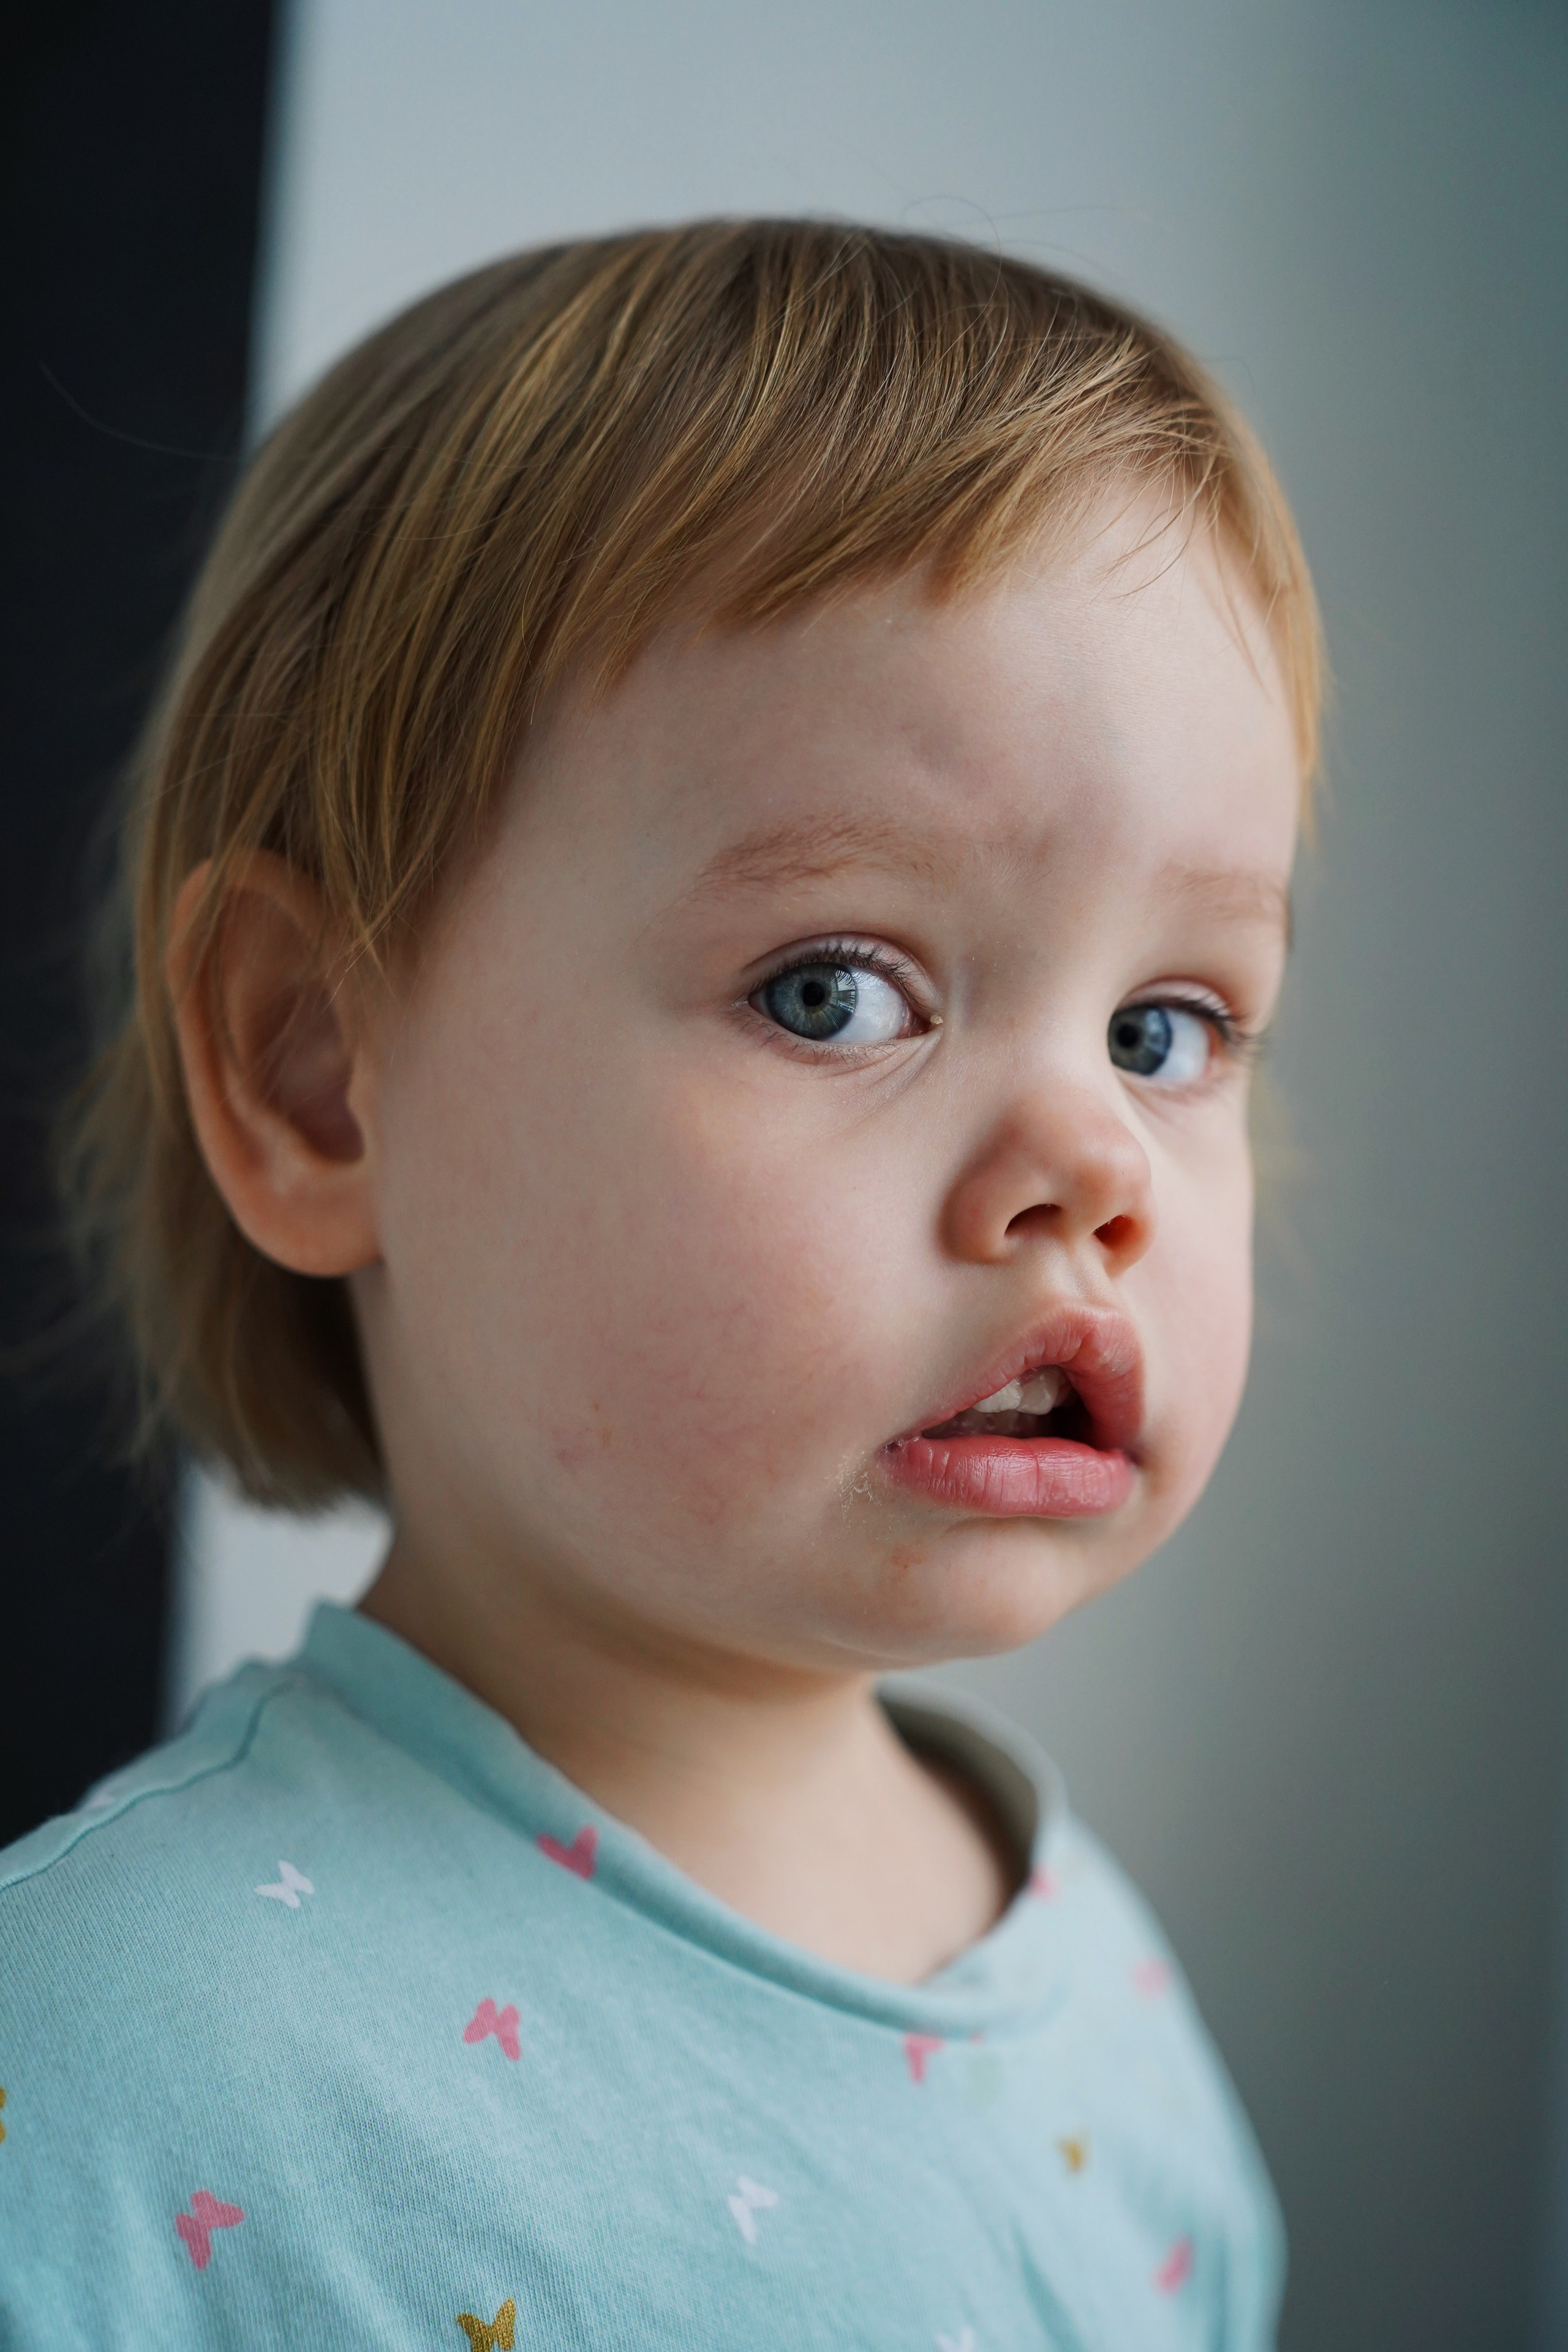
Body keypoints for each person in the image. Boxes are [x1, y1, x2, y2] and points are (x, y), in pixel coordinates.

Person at [0, 221, 1320, 2348]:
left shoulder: (1101, 1978)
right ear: (319, 1074)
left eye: (1169, 1028)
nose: (1097, 1163)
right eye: (836, 992)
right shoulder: (96, 2069)